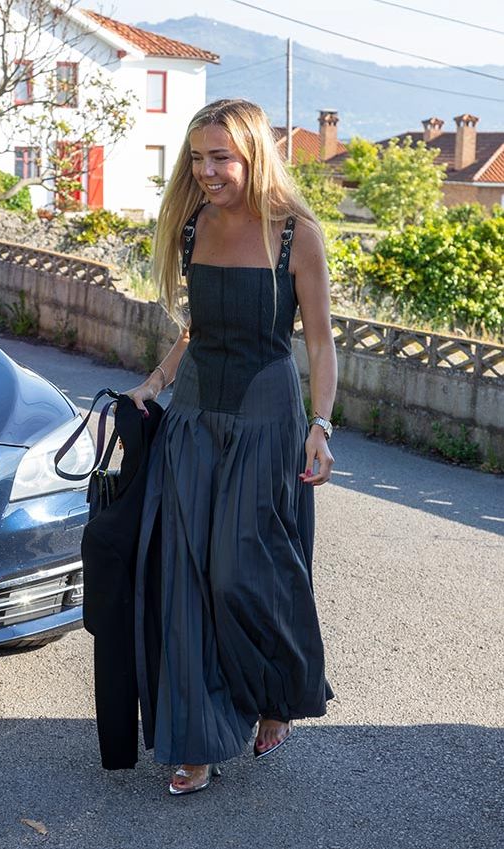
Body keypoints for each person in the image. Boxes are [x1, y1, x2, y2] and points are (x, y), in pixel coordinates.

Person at [127, 98, 337, 795]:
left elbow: (318, 340)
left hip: (265, 414)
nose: (206, 171)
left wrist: (321, 422)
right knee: (184, 576)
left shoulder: (293, 235)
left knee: (240, 571)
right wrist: (154, 382)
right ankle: (198, 740)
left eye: (220, 157)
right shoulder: (193, 227)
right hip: (192, 415)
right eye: (197, 158)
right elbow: (197, 329)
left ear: (253, 155)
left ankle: (274, 691)